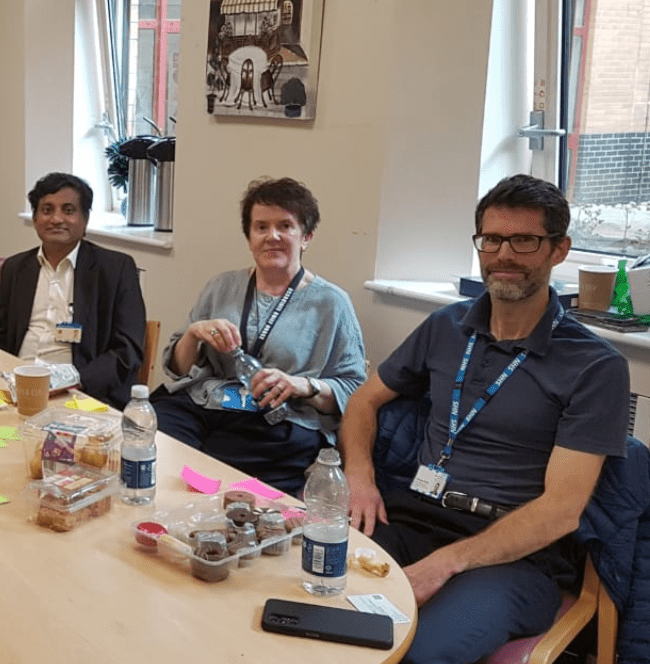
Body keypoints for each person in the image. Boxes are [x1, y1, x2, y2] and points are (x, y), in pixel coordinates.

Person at [340, 174, 629, 664]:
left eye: (524, 240)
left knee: (415, 653)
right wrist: (360, 476)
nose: (503, 255)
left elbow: (560, 511)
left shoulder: (596, 367)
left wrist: (447, 563)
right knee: (300, 597)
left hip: (516, 557)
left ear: (559, 250)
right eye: (492, 239)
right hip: (412, 515)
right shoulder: (445, 326)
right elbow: (363, 402)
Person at [150, 177, 366, 495]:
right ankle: (179, 499)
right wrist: (194, 334)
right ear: (249, 237)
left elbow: (352, 389)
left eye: (285, 226)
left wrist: (301, 385)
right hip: (207, 405)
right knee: (152, 432)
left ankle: (221, 502)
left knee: (232, 471)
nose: (272, 237)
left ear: (306, 236)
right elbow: (178, 371)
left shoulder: (331, 304)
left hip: (277, 421)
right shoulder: (220, 286)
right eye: (261, 227)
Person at [0, 172, 146, 408]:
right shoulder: (15, 268)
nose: (56, 219)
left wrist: (72, 383)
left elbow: (127, 351)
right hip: (16, 388)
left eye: (68, 210)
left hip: (80, 394)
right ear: (35, 217)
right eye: (47, 210)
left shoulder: (116, 269)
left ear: (85, 219)